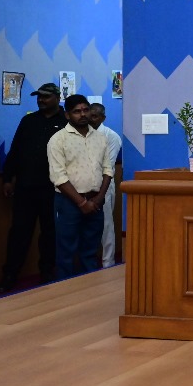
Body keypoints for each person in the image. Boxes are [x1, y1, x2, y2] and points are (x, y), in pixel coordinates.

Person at [0, 81, 68, 291]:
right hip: (26, 187)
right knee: (19, 232)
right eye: (39, 97)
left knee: (50, 232)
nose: (41, 100)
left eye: (46, 96)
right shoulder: (28, 121)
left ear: (57, 98)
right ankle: (10, 274)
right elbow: (15, 150)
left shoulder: (66, 122)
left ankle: (47, 272)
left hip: (54, 188)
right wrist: (7, 178)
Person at [47, 94, 114, 280]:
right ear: (67, 115)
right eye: (77, 111)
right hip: (68, 203)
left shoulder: (100, 138)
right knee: (66, 252)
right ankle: (65, 292)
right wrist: (82, 203)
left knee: (90, 251)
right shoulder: (58, 140)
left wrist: (98, 199)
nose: (83, 114)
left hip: (96, 201)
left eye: (86, 110)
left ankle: (90, 290)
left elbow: (108, 169)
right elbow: (59, 177)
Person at [87, 103, 122, 268]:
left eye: (94, 116)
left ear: (103, 118)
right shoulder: (82, 133)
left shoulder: (111, 136)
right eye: (89, 115)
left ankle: (108, 263)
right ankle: (88, 263)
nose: (90, 119)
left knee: (106, 225)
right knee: (87, 227)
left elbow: (107, 165)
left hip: (104, 186)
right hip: (82, 187)